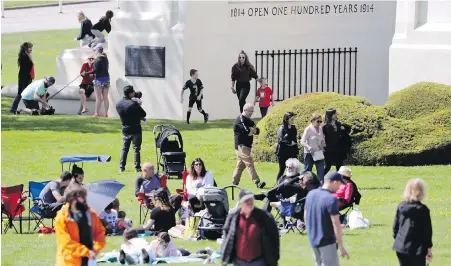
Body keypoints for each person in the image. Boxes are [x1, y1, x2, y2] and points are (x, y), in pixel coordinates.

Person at [221, 189, 279, 266]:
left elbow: (274, 238)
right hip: (239, 261)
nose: (250, 202)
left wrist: (274, 258)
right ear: (240, 203)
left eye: (251, 199)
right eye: (246, 200)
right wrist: (225, 256)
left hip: (259, 261)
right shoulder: (234, 216)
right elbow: (226, 235)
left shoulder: (264, 217)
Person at [304, 172, 350, 266]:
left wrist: (311, 234)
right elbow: (336, 224)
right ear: (334, 182)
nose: (339, 188)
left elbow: (305, 217)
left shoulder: (311, 195)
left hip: (313, 240)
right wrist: (341, 246)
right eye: (339, 184)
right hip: (327, 241)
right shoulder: (331, 199)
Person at [55, 184, 106, 266]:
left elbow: (100, 232)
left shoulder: (91, 213)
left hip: (89, 260)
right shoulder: (62, 218)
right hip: (69, 261)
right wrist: (87, 252)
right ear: (71, 200)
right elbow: (66, 242)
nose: (83, 200)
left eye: (84, 197)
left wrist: (96, 248)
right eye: (80, 198)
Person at [393, 178, 433, 266]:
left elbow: (395, 228)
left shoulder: (401, 207)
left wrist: (399, 241)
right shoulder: (423, 210)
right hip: (417, 249)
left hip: (401, 247)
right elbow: (427, 232)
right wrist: (429, 249)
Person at [232, 103, 266, 189]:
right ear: (245, 110)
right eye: (250, 111)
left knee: (240, 165)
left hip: (247, 146)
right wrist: (251, 130)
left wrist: (252, 130)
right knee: (249, 162)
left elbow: (257, 131)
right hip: (241, 146)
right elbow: (248, 132)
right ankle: (257, 181)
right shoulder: (240, 120)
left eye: (252, 111)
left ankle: (234, 182)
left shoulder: (249, 120)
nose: (251, 113)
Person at [116, 85, 146, 172]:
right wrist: (139, 105)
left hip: (125, 129)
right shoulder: (134, 104)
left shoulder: (118, 104)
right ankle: (137, 167)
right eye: (133, 92)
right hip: (136, 129)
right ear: (130, 93)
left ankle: (122, 167)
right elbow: (143, 114)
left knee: (125, 148)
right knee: (136, 149)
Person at [83, 44, 110, 117]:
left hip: (99, 79)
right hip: (106, 79)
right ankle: (106, 113)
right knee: (105, 97)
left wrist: (86, 73)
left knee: (98, 98)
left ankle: (96, 113)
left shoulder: (97, 60)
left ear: (97, 51)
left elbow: (95, 71)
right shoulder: (106, 58)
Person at [301, 113, 326, 182]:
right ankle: (302, 183)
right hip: (309, 153)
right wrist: (309, 147)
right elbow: (302, 141)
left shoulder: (320, 129)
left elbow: (321, 141)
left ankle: (321, 187)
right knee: (307, 170)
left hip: (318, 153)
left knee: (321, 170)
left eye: (321, 122)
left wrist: (323, 146)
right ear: (313, 120)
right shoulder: (308, 129)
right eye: (318, 121)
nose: (319, 123)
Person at [10, 42, 34, 114]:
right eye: (30, 48)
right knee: (22, 93)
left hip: (26, 77)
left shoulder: (26, 55)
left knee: (23, 93)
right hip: (24, 78)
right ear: (26, 48)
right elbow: (26, 68)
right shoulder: (24, 56)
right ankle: (29, 108)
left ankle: (14, 109)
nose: (31, 49)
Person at [323, 109, 347, 175]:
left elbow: (343, 135)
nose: (336, 115)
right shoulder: (325, 126)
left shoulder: (338, 124)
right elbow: (321, 137)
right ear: (330, 115)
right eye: (334, 114)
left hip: (338, 148)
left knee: (339, 166)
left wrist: (343, 129)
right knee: (328, 166)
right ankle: (319, 179)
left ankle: (340, 181)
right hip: (328, 149)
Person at [275, 112, 299, 180]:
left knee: (295, 167)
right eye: (291, 119)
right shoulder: (282, 128)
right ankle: (277, 185)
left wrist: (294, 145)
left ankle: (294, 182)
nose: (293, 121)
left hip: (292, 151)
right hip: (283, 152)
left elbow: (294, 139)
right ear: (286, 119)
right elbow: (280, 140)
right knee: (282, 169)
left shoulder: (293, 128)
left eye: (293, 119)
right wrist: (289, 142)